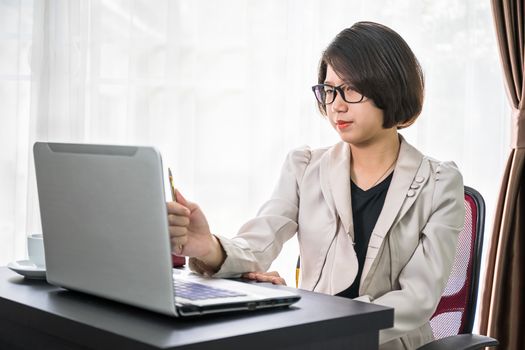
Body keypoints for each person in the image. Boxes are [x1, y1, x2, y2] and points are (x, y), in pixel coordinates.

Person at [167, 21, 465, 350]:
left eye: (352, 89)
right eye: (329, 89)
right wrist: (206, 245)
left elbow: (418, 298)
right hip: (312, 338)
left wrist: (329, 328)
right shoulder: (304, 166)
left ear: (389, 87)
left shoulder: (440, 183)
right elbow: (258, 245)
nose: (336, 104)